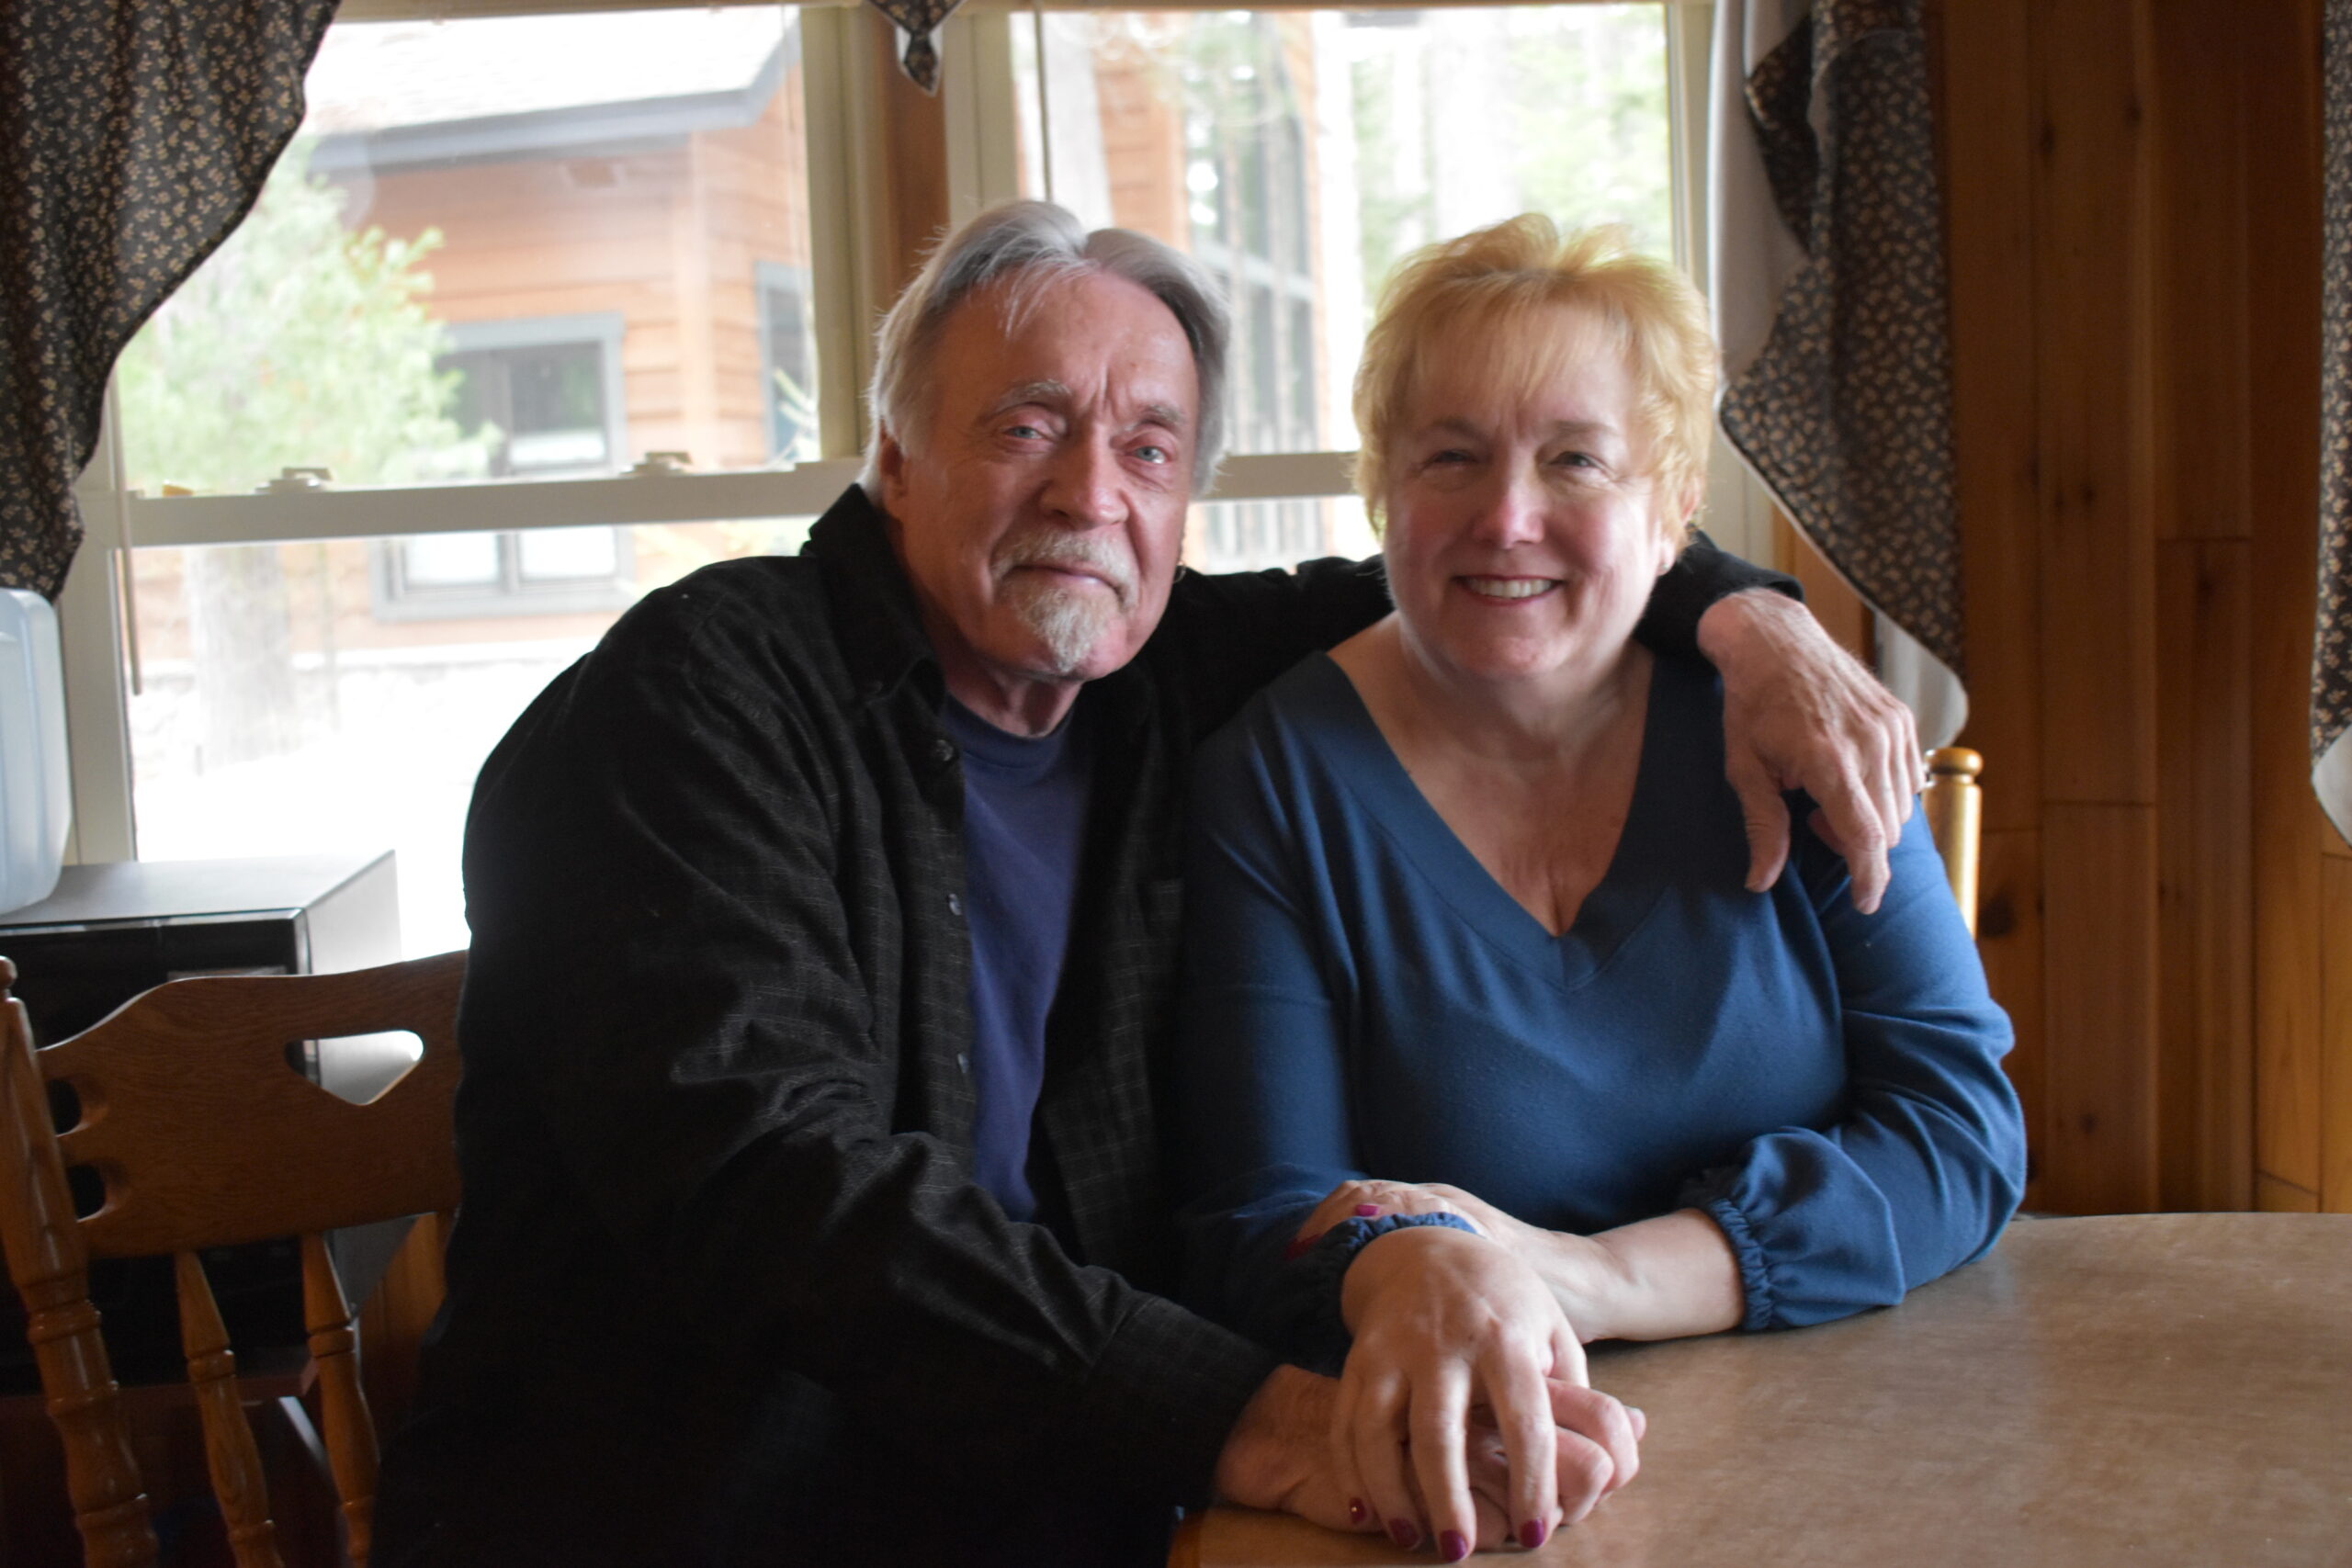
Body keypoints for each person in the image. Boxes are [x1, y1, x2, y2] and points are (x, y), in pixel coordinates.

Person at [373, 201, 1923, 1567]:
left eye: (1150, 447)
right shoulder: (694, 702)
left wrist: (1754, 624)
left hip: (1087, 1512)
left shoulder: (1165, 670)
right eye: (1028, 425)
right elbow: (780, 1196)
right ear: (895, 460)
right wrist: (1260, 1422)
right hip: (707, 1516)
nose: (1088, 495)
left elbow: (1506, 571)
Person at [1175, 218, 2028, 1562]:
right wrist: (1400, 1267)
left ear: (1673, 503)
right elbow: (1267, 1214)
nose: (1508, 517)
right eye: (1451, 455)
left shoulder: (1793, 726)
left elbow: (1960, 1133)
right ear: (1383, 488)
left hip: (1877, 1447)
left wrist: (1594, 1276)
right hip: (1488, 1492)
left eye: (1575, 458)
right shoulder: (1272, 780)